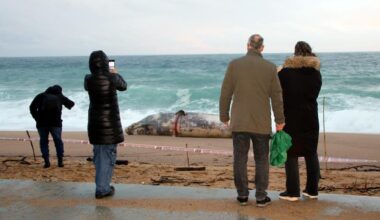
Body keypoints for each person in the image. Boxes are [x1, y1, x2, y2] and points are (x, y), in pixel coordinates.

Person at [219, 34, 285, 207]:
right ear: (262, 48)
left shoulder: (234, 65)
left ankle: (242, 195)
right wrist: (280, 120)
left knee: (239, 158)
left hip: (240, 122)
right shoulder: (270, 68)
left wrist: (224, 116)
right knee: (261, 159)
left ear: (248, 46)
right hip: (261, 123)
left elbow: (225, 92)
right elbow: (277, 97)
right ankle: (261, 197)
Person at [277, 41, 322, 201]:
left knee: (291, 153)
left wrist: (280, 70)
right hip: (311, 117)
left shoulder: (286, 73)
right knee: (311, 152)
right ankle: (312, 190)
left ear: (295, 53)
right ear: (310, 53)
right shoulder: (316, 73)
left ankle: (292, 192)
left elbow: (278, 88)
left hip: (292, 117)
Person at [84, 50, 127, 199]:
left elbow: (91, 84)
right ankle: (102, 189)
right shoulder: (112, 77)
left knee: (100, 155)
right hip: (109, 125)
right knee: (107, 157)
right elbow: (123, 86)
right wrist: (114, 72)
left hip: (95, 124)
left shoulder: (88, 79)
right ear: (105, 63)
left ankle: (103, 186)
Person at [29, 85, 75, 168]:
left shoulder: (40, 96)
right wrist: (61, 98)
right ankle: (60, 162)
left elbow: (31, 107)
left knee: (43, 141)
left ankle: (47, 162)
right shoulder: (59, 96)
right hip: (56, 123)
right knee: (58, 142)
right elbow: (71, 104)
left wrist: (37, 118)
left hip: (41, 123)